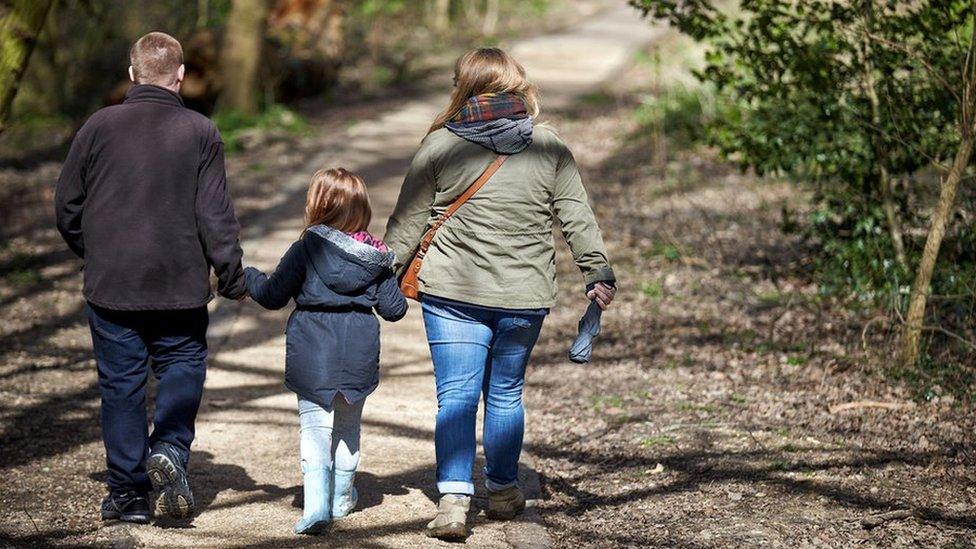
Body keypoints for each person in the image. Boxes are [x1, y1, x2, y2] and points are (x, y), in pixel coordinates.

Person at [384, 47, 617, 540]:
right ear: (518, 86)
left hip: (451, 293)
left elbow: (406, 226)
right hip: (523, 293)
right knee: (506, 393)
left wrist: (376, 276)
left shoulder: (440, 145)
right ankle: (504, 489)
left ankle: (452, 499)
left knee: (456, 396)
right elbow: (577, 216)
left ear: (463, 88)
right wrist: (597, 271)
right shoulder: (549, 145)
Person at [54, 32, 246, 523]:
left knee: (121, 387)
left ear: (132, 72)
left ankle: (127, 494)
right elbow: (215, 216)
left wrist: (95, 252)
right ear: (180, 76)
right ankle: (172, 448)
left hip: (111, 285)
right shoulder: (200, 131)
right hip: (179, 286)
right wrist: (230, 272)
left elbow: (67, 207)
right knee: (182, 366)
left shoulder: (97, 127)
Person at [244, 168, 407, 535]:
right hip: (359, 349)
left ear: (318, 205)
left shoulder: (308, 247)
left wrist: (249, 277)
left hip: (312, 346)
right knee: (348, 426)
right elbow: (394, 310)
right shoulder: (376, 256)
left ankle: (316, 504)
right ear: (362, 208)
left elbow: (272, 295)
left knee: (315, 427)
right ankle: (341, 498)